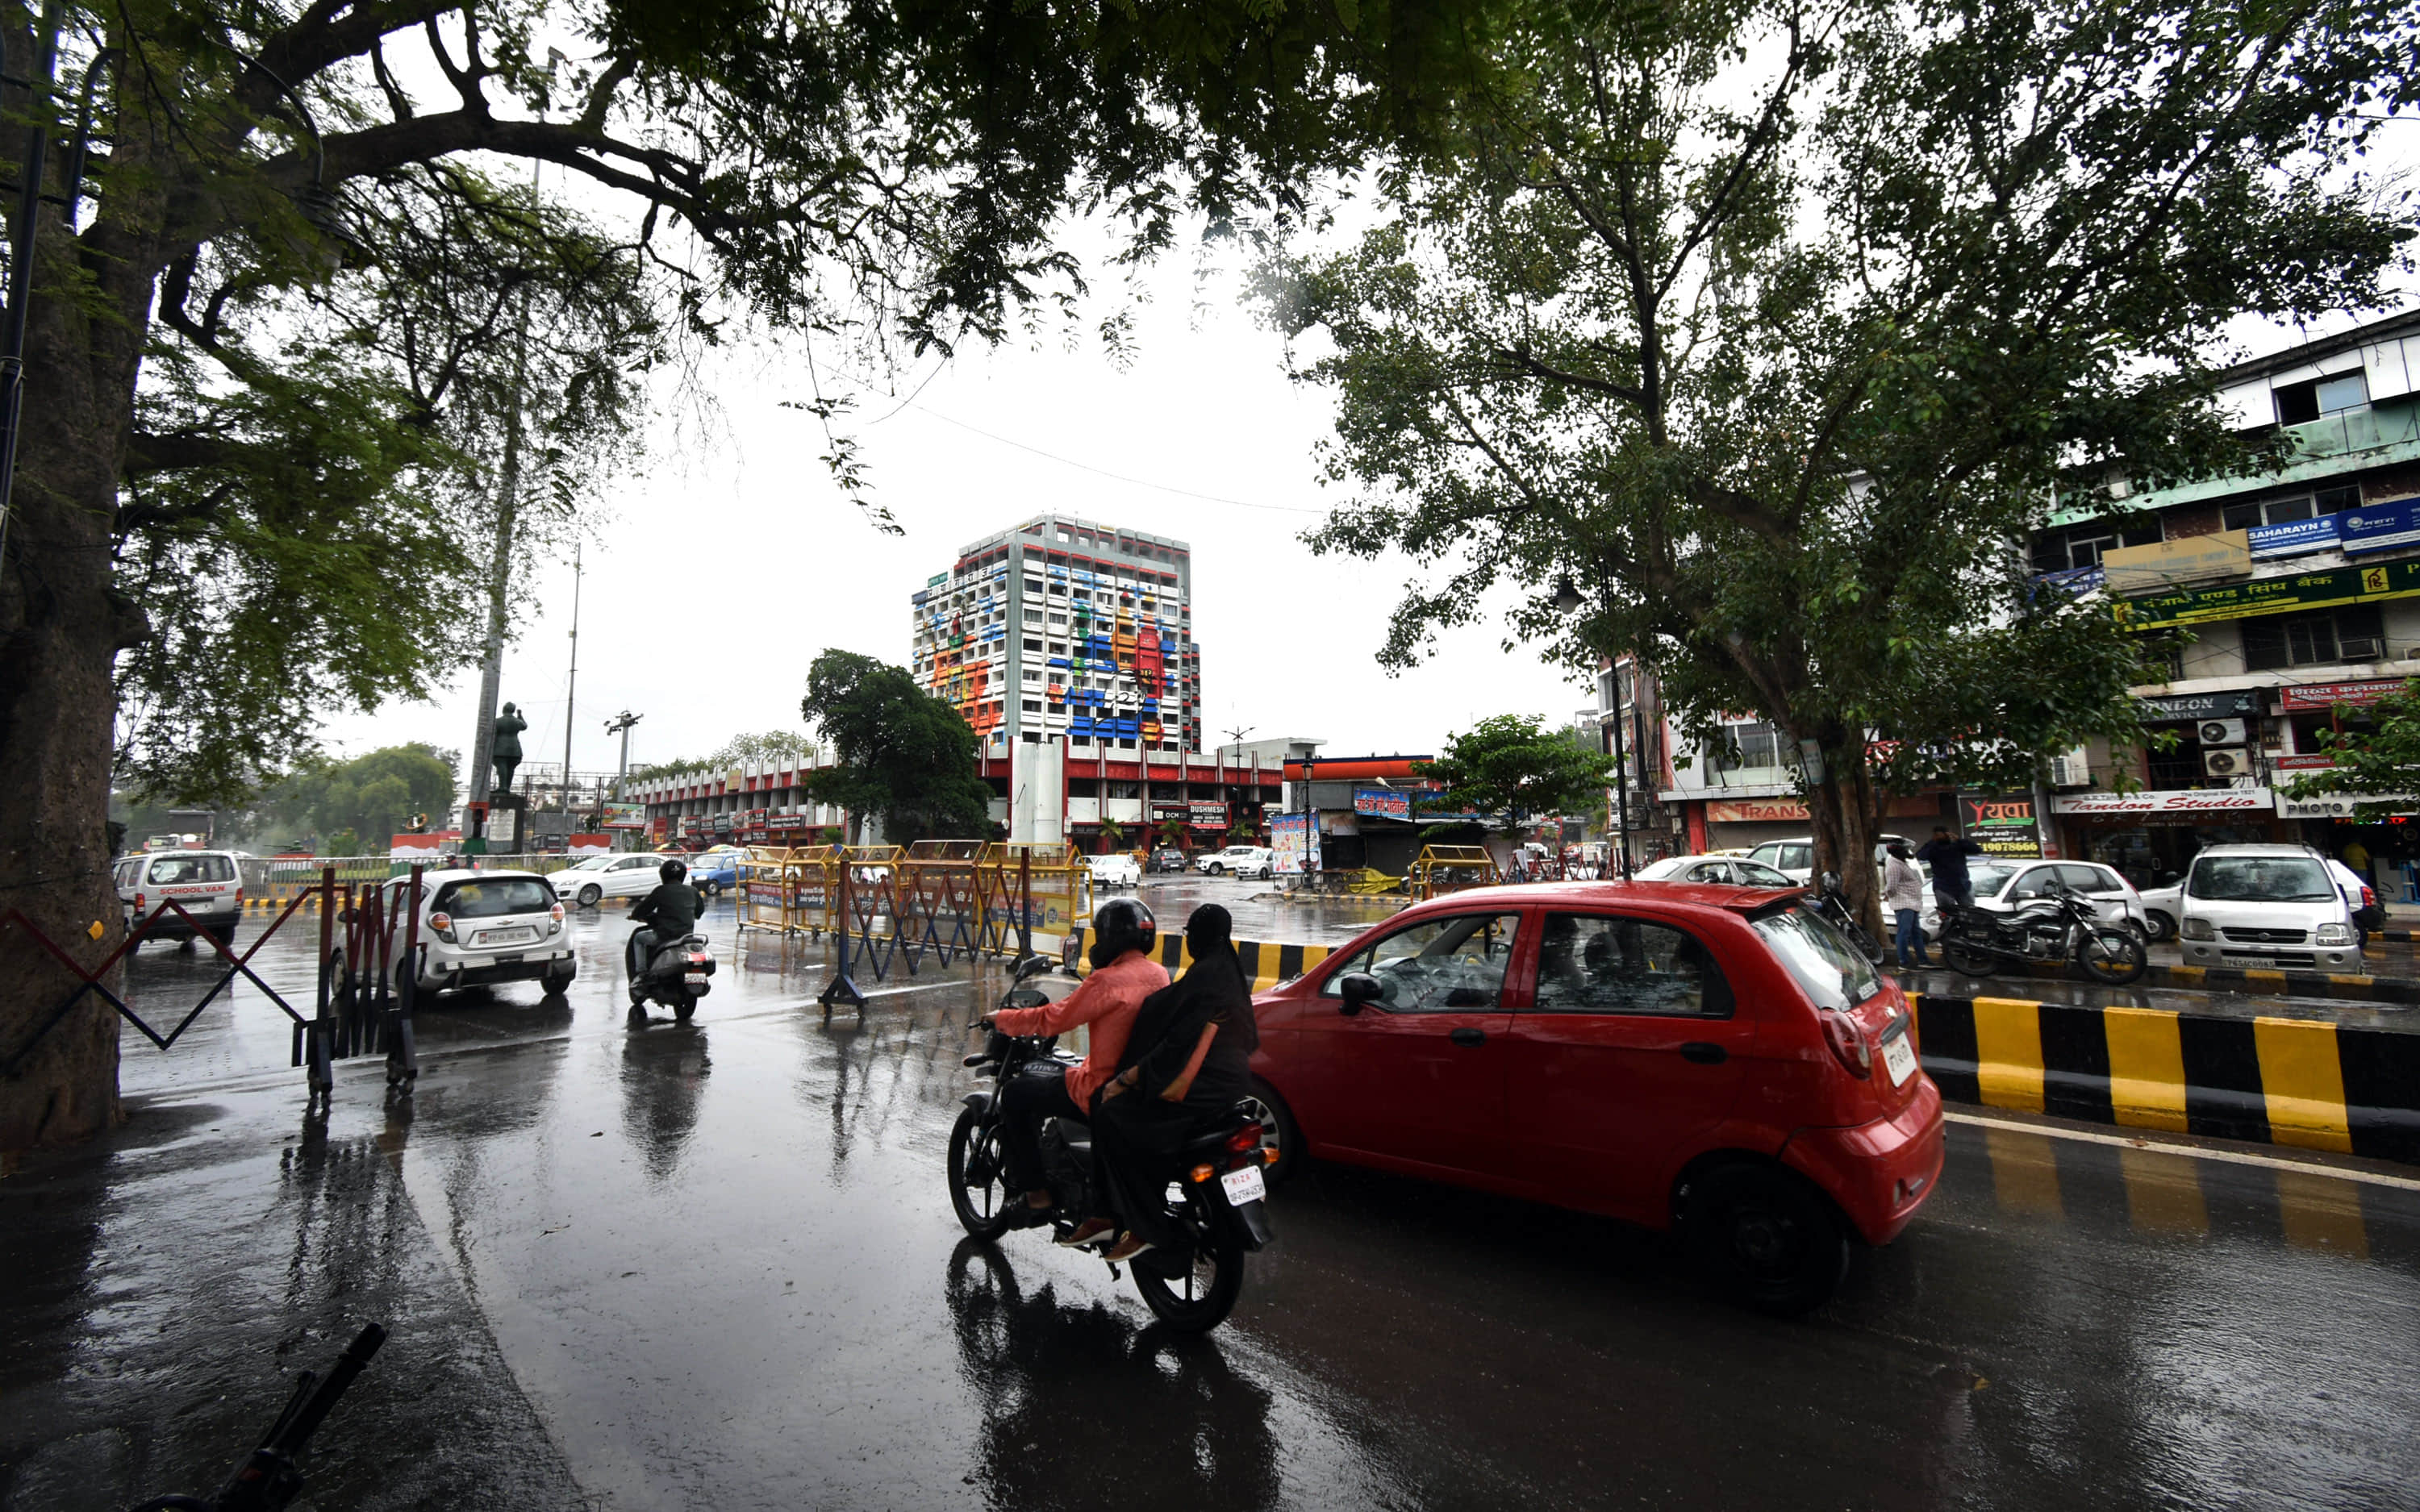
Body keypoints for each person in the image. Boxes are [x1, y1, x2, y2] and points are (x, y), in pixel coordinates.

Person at [1078, 903, 1262, 1263]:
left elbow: (1177, 1043)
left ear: (1202, 936)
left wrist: (1129, 1077)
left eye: (1190, 933)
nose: (1189, 940)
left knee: (1109, 1111)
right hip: (1231, 1084)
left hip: (1199, 1086)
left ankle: (1132, 1221)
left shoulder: (1207, 976)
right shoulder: (1226, 969)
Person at [989, 898, 1168, 1218]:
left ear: (1111, 938)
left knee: (1016, 1094)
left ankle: (1037, 1195)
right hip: (1138, 1084)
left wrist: (1003, 1018)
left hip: (1100, 1089)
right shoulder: (1159, 974)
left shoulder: (1105, 981)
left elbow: (1053, 1019)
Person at [626, 858, 704, 980]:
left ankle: (641, 975)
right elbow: (699, 912)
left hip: (663, 936)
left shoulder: (661, 891)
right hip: (687, 937)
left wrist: (635, 916)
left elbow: (641, 910)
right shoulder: (693, 891)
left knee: (638, 938)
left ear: (663, 875)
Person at [1884, 841, 1932, 968]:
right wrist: (1890, 895)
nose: (1908, 853)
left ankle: (1923, 960)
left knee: (1916, 933)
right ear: (1899, 851)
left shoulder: (1902, 863)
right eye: (1905, 850)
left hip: (1912, 903)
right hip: (1904, 903)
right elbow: (1891, 887)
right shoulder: (1894, 865)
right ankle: (1904, 962)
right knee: (1904, 933)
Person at [1916, 826, 1984, 913]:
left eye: (1943, 834)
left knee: (1970, 912)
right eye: (1937, 835)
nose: (1941, 837)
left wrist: (1959, 840)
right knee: (1948, 914)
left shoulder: (1958, 846)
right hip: (1943, 887)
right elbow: (1920, 856)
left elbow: (1977, 850)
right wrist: (1932, 842)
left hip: (1963, 885)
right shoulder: (1933, 848)